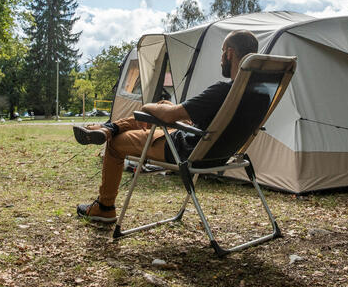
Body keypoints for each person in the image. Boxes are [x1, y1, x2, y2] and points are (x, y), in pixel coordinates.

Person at [72, 30, 259, 222]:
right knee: (163, 105)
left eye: (222, 53)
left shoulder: (223, 91)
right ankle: (108, 128)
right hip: (219, 152)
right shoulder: (261, 95)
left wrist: (146, 106)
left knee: (116, 142)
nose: (221, 59)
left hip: (185, 150)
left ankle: (105, 206)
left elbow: (171, 116)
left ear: (229, 53)